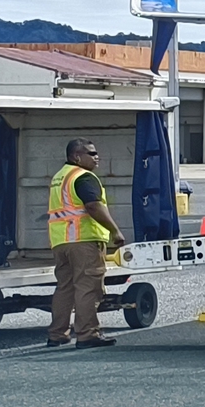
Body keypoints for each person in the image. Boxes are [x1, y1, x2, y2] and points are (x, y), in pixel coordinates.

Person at [46, 137, 130, 349]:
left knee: (64, 288)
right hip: (83, 240)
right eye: (91, 154)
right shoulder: (83, 177)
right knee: (88, 288)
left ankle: (57, 334)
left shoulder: (59, 177)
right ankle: (87, 334)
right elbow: (93, 206)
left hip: (61, 242)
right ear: (76, 156)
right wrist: (115, 230)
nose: (97, 157)